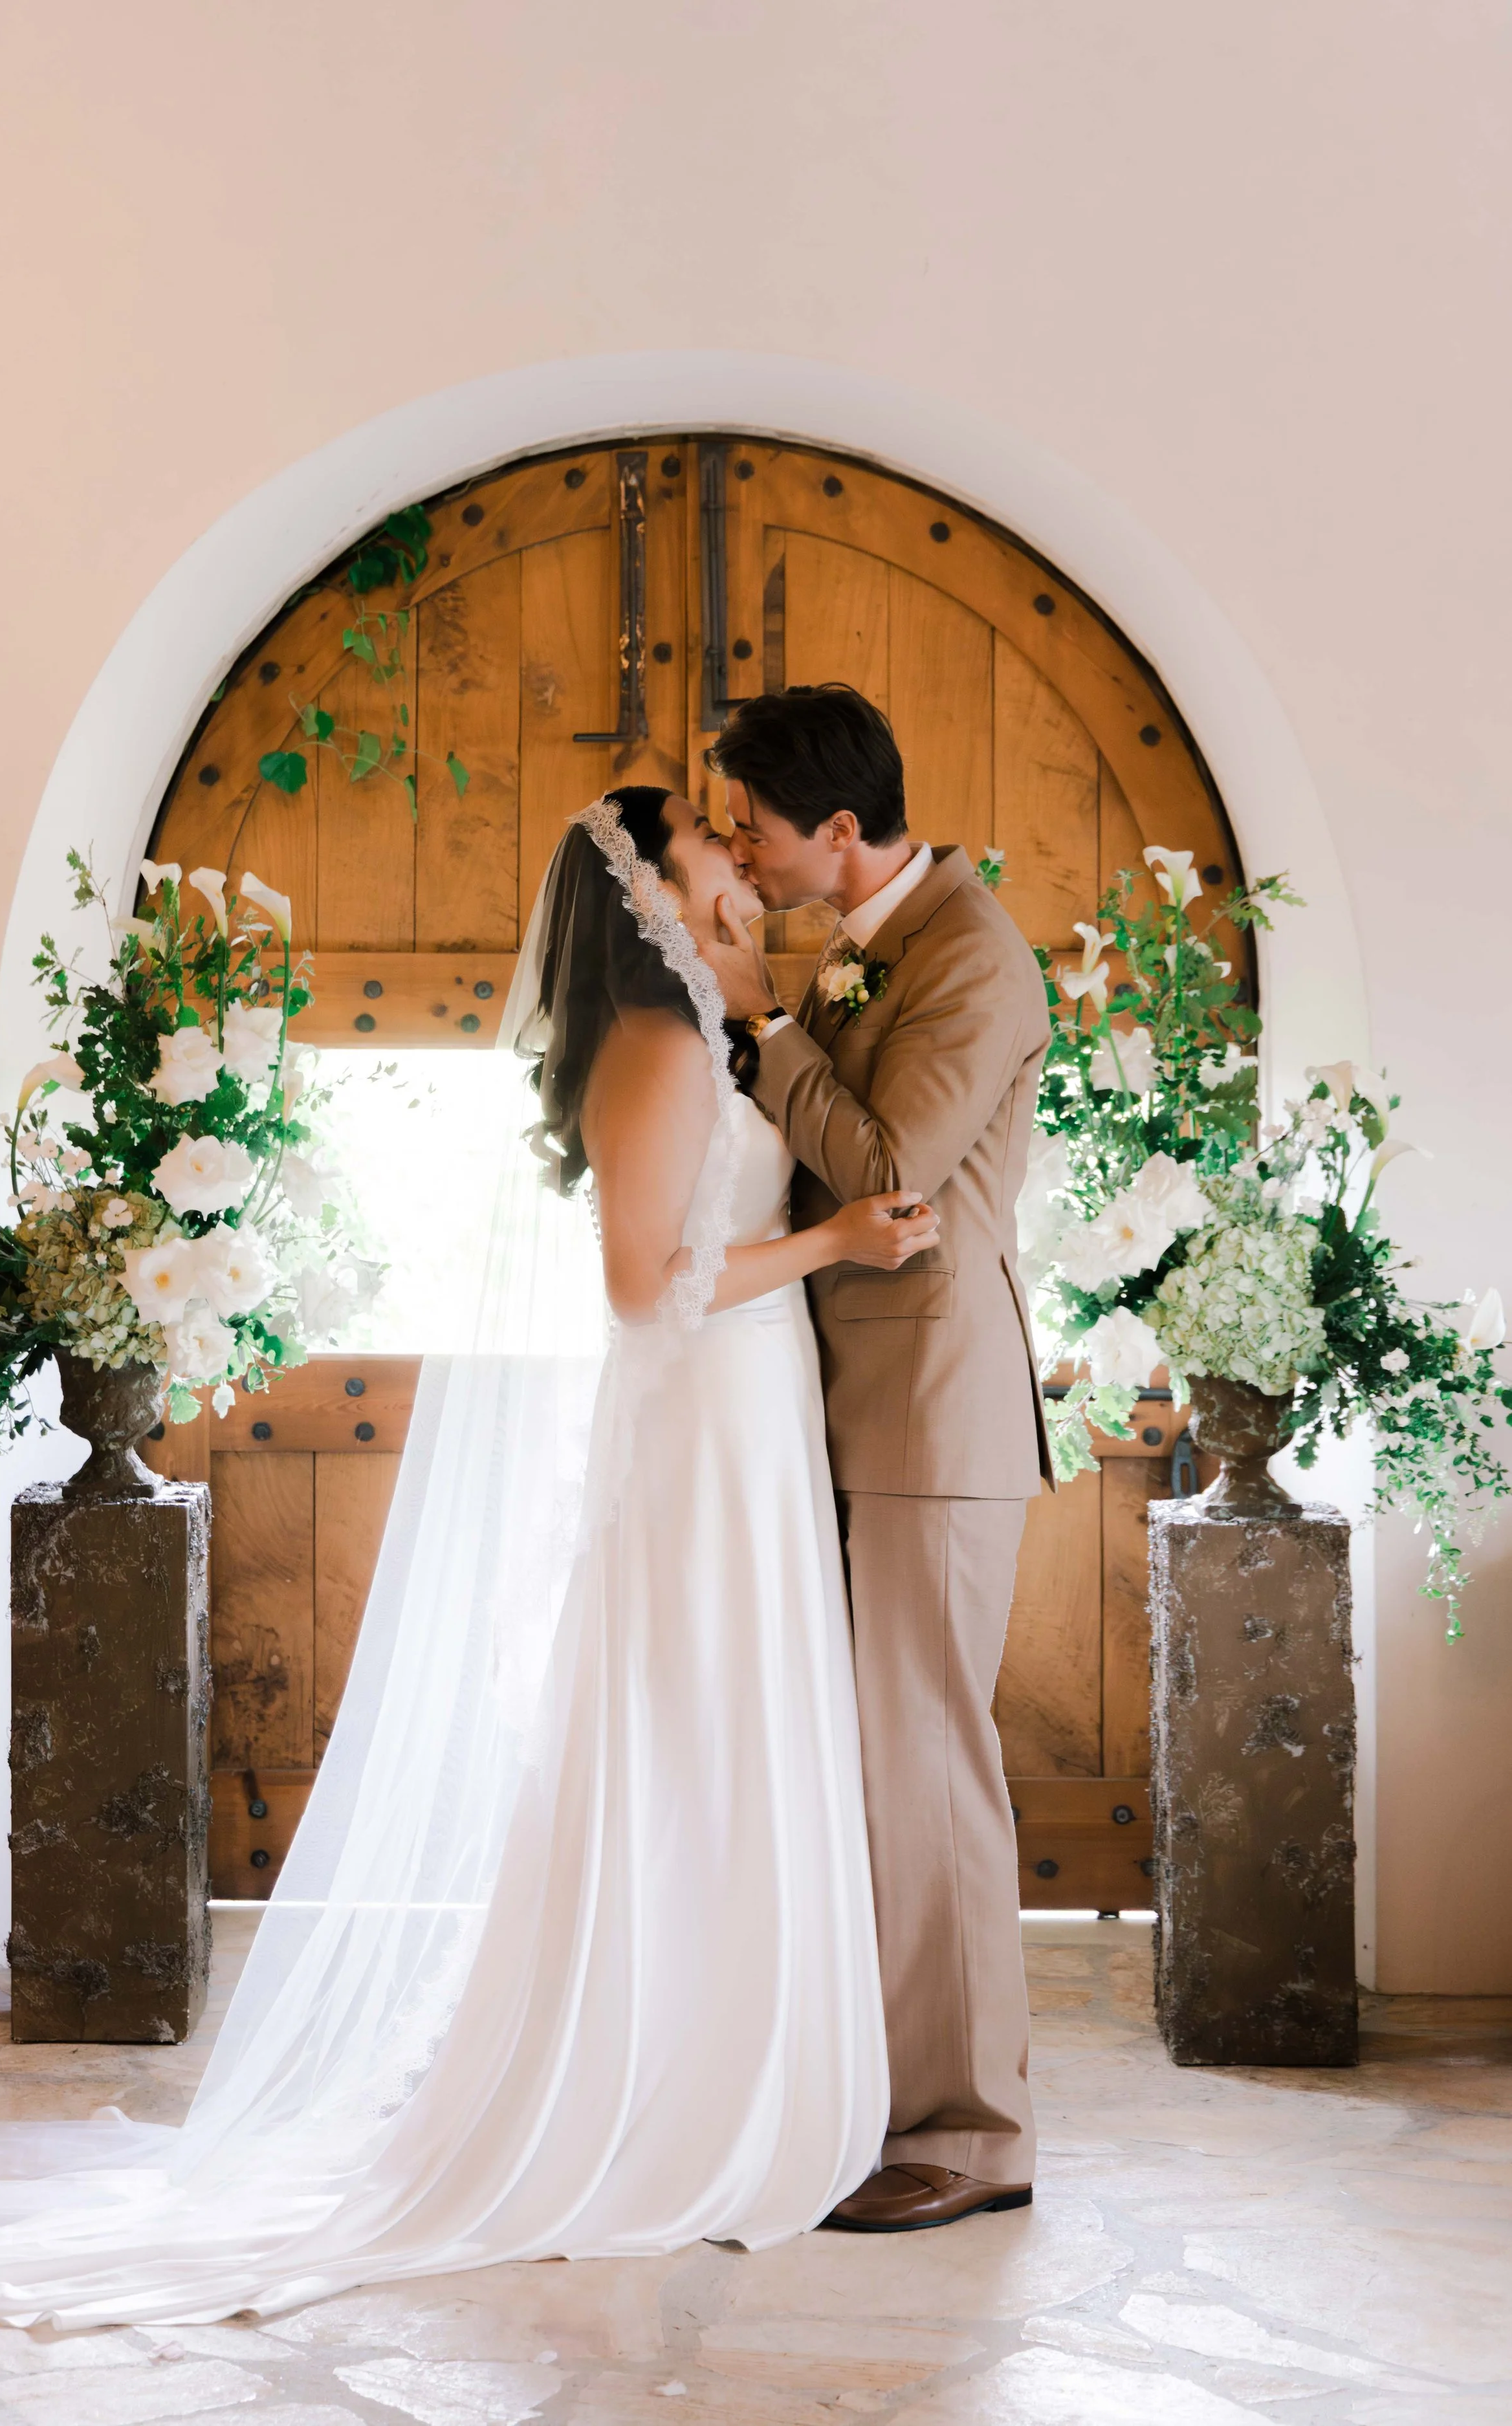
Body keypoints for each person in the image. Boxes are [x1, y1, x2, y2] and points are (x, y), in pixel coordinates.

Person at [0, 785, 930, 2327]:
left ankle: (725, 2064)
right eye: (703, 839)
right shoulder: (650, 1051)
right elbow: (647, 1287)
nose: (730, 845)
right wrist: (833, 1245)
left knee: (732, 1733)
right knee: (683, 1731)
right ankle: (651, 2091)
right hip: (703, 1416)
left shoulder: (720, 1020)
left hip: (753, 1414)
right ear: (654, 884)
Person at [698, 684, 1052, 2233]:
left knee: (925, 1771)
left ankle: (972, 2134)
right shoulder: (872, 942)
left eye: (755, 826)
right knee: (868, 1769)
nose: (740, 849)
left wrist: (764, 1032)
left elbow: (898, 1172)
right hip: (846, 1402)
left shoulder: (971, 952)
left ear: (840, 830)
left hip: (931, 1411)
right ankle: (875, 2091)